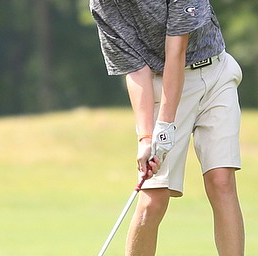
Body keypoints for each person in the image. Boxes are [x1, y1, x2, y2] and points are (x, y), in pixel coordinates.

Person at [90, 0, 245, 255]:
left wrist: (164, 127)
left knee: (221, 180)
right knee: (154, 198)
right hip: (161, 82)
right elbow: (135, 70)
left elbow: (177, 50)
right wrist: (147, 137)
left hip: (216, 72)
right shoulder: (104, 4)